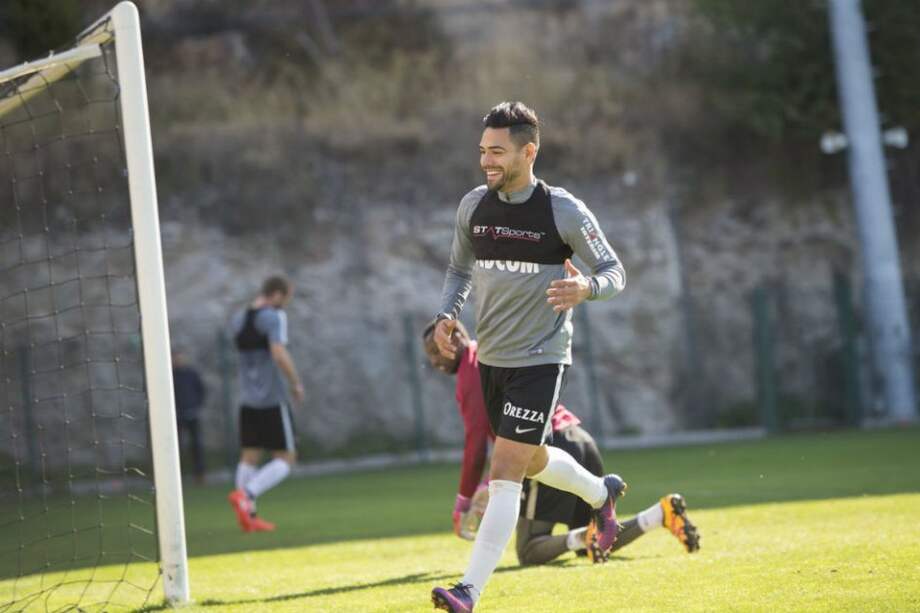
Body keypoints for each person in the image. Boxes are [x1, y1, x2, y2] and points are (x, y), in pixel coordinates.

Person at [430, 101, 628, 612]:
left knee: (505, 472)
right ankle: (600, 494)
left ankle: (468, 590)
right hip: (492, 359)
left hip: (541, 358)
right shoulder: (473, 206)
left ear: (529, 152)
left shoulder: (562, 210)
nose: (486, 161)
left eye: (497, 152)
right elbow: (458, 271)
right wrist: (447, 315)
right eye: (483, 151)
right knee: (533, 460)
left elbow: (614, 271)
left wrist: (585, 288)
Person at [421, 322, 699, 568]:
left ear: (457, 336)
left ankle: (586, 534)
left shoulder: (471, 369)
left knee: (529, 550)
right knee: (595, 538)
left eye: (435, 350)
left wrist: (463, 501)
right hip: (578, 437)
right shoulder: (494, 352)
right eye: (429, 355)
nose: (433, 361)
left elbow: (476, 443)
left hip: (547, 449)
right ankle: (659, 514)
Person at [226, 275, 305, 532]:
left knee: (249, 456)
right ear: (278, 294)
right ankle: (246, 494)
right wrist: (296, 383)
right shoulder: (274, 316)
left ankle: (248, 515)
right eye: (287, 298)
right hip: (272, 398)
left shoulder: (239, 318)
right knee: (286, 458)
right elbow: (278, 353)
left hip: (247, 399)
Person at [171, 349, 207, 485]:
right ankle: (177, 475)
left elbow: (201, 390)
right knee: (176, 446)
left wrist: (197, 406)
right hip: (177, 416)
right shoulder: (171, 375)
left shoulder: (191, 374)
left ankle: (199, 474)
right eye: (176, 357)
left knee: (196, 445)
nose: (178, 360)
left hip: (192, 414)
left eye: (180, 357)